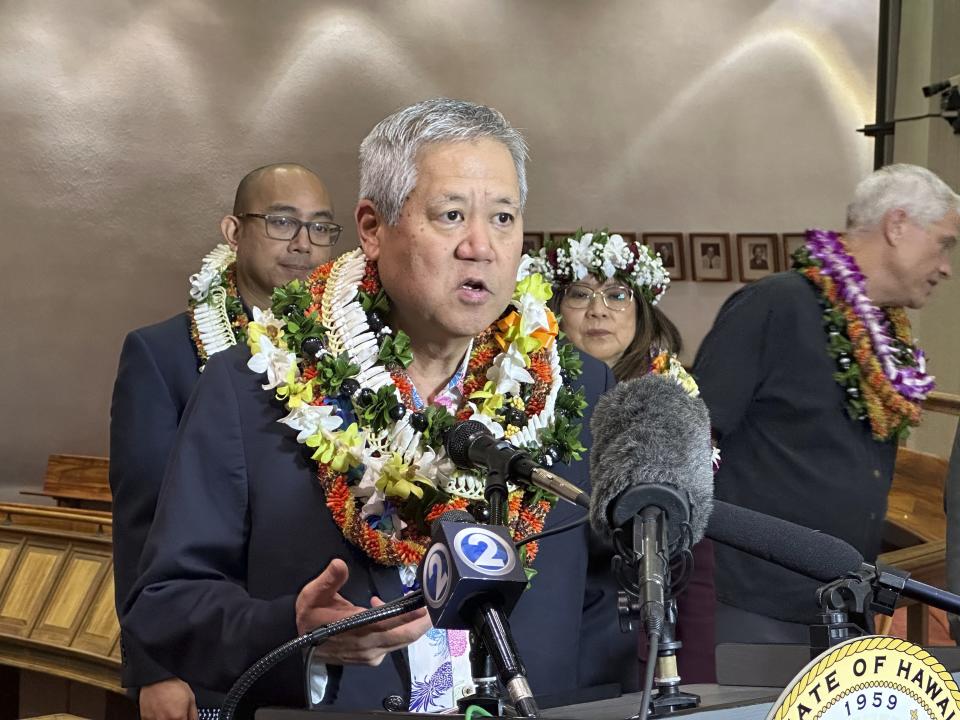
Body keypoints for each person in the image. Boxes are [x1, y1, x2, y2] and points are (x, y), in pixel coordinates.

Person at [122, 99, 638, 716]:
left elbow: (604, 596)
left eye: (503, 218)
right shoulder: (248, 386)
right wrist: (299, 634)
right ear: (372, 228)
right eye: (451, 215)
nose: (481, 247)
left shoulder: (575, 386)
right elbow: (166, 603)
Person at [109, 163, 338, 720]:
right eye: (283, 222)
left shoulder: (350, 356)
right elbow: (142, 523)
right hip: (211, 654)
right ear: (234, 232)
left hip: (320, 653)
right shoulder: (162, 355)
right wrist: (156, 670)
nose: (304, 245)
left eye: (322, 228)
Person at [694, 163, 959, 643]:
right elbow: (693, 434)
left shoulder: (887, 334)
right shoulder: (775, 304)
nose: (946, 266)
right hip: (753, 604)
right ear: (897, 226)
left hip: (841, 601)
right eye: (944, 243)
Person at [525, 229, 716, 683]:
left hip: (628, 639)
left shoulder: (669, 401)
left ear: (642, 310)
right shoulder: (522, 396)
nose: (598, 310)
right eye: (579, 294)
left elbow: (694, 562)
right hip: (539, 623)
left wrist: (695, 678)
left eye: (616, 294)